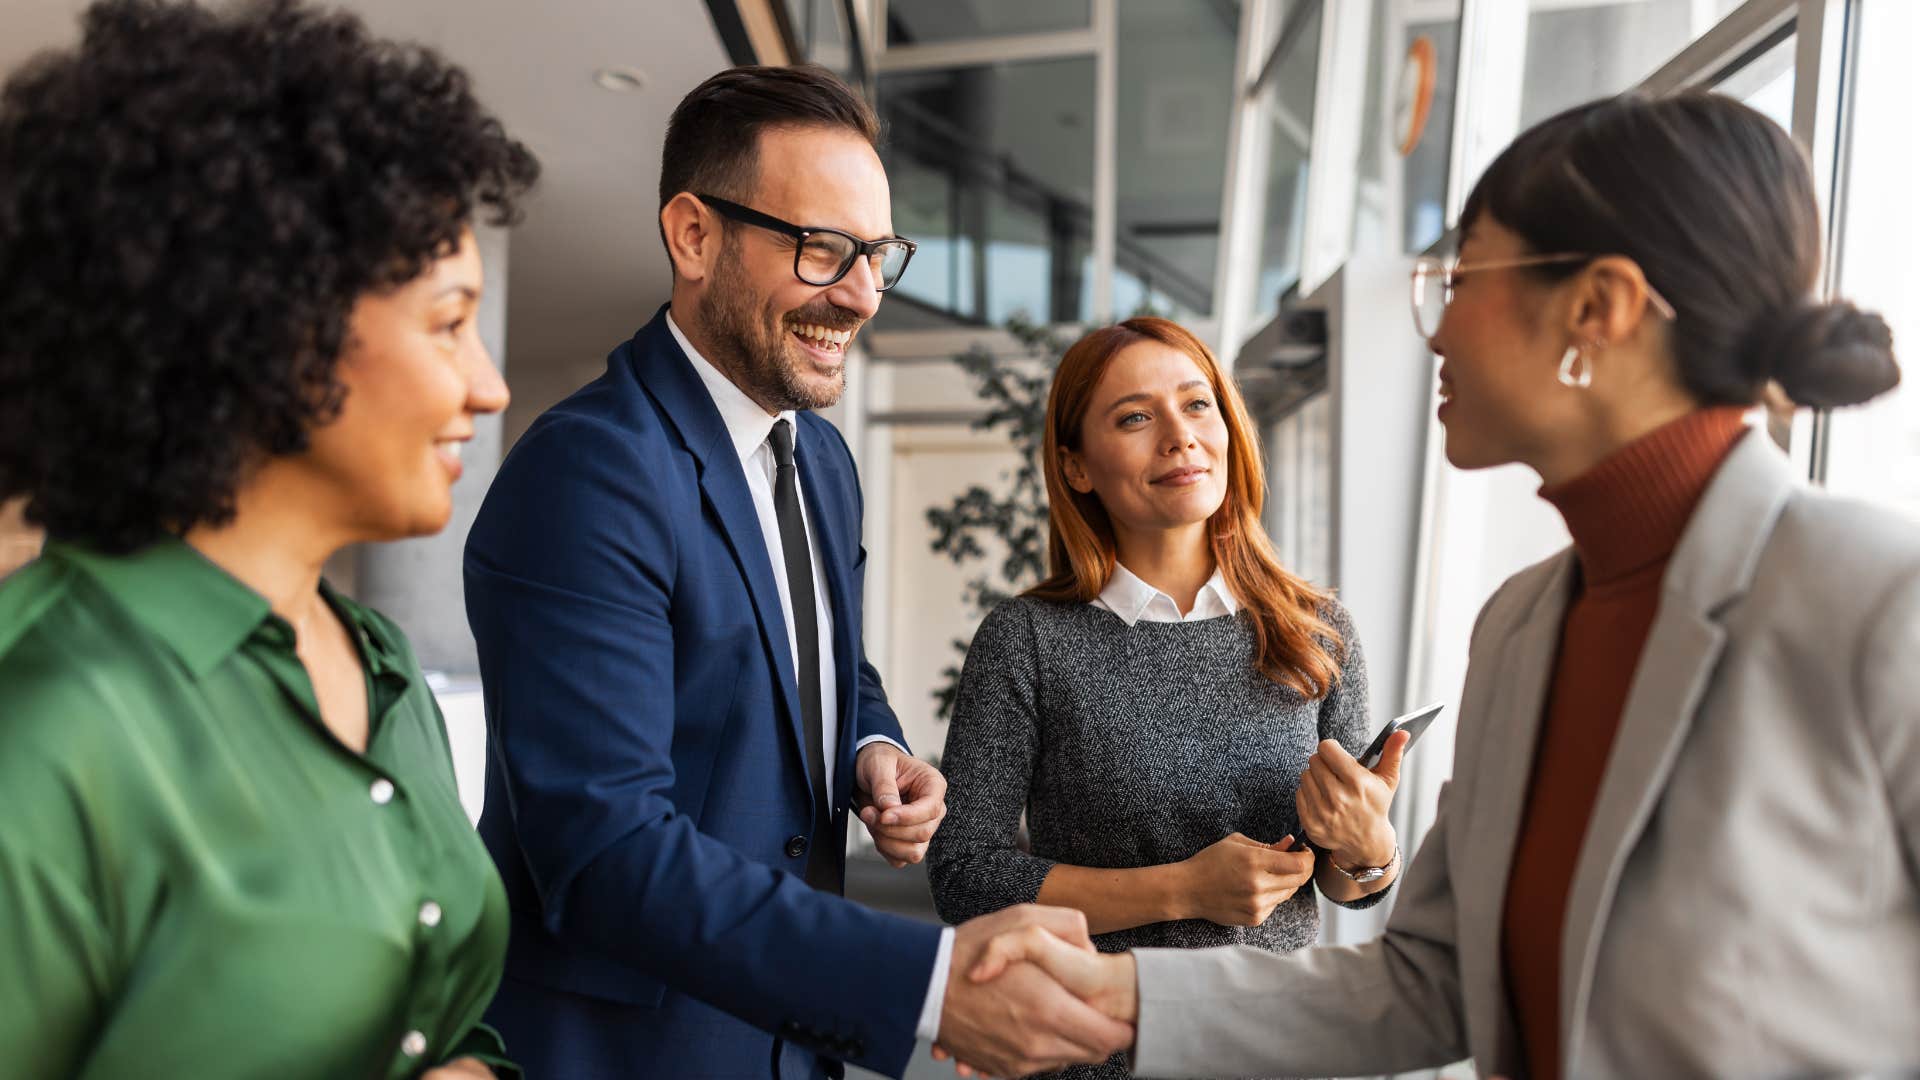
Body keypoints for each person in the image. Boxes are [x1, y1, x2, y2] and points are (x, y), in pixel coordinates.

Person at [950, 91, 1918, 1080]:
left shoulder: (1885, 606)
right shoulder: (1520, 627)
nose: (1437, 329)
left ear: (1598, 309)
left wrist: (1360, 852)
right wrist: (1117, 994)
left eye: (1463, 278)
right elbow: (1439, 980)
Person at [462, 64, 1130, 1080]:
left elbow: (819, 661)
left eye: (877, 255)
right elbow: (603, 847)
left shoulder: (820, 459)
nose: (860, 295)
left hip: (787, 1045)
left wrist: (871, 744)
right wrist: (925, 986)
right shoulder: (589, 471)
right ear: (694, 236)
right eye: (823, 249)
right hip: (633, 1053)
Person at [0, 1, 540, 1077]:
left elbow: (442, 1022)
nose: (490, 388)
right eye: (448, 323)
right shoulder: (49, 716)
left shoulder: (387, 674)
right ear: (282, 328)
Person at [926, 315, 1404, 1080]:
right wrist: (1182, 890)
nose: (1180, 437)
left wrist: (1370, 848)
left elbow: (1346, 885)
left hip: (1279, 1049)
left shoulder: (1318, 630)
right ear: (1076, 467)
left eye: (1197, 404)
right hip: (1095, 1055)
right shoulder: (1027, 640)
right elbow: (966, 877)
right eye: (1135, 418)